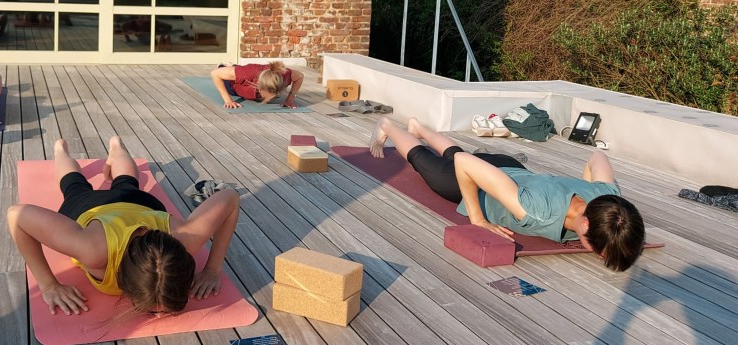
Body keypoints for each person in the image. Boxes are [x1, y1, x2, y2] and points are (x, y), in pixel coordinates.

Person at [369, 116, 645, 271]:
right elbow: (465, 164)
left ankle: (418, 128)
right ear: (584, 224)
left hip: (510, 171)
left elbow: (597, 157)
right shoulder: (536, 210)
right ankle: (388, 126)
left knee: (455, 155)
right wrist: (477, 218)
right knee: (426, 163)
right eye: (599, 251)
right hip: (478, 182)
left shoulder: (607, 197)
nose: (599, 254)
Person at [7, 136, 241, 316]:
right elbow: (16, 216)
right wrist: (48, 286)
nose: (159, 315)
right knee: (74, 186)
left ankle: (117, 147)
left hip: (141, 207)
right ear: (124, 281)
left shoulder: (187, 238)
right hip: (90, 209)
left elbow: (230, 197)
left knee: (127, 183)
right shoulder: (92, 251)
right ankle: (61, 150)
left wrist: (212, 269)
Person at [210, 61, 305, 109]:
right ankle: (225, 65)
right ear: (258, 85)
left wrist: (289, 100)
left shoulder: (285, 75)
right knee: (226, 71)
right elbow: (215, 74)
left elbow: (300, 76)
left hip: (251, 79)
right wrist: (228, 100)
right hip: (233, 86)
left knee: (240, 71)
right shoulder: (248, 72)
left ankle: (233, 67)